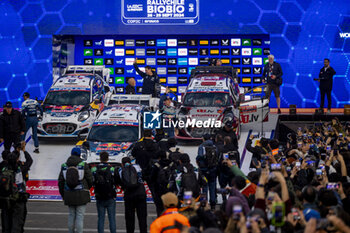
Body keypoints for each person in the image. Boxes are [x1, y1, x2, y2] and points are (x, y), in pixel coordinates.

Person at [58, 147, 93, 233]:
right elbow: (90, 179)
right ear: (79, 154)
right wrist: (87, 188)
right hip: (82, 194)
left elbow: (60, 182)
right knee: (80, 216)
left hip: (69, 193)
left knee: (71, 215)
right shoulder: (83, 164)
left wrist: (63, 195)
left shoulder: (64, 165)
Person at [0, 143, 32, 233]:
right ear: (17, 159)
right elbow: (30, 161)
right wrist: (24, 150)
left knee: (6, 223)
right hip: (18, 199)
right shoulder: (21, 167)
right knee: (17, 223)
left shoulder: (2, 168)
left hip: (5, 199)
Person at [117, 157, 147, 233]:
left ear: (122, 164)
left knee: (129, 218)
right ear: (131, 162)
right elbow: (143, 177)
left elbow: (120, 182)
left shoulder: (120, 170)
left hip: (129, 195)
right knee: (142, 217)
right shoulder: (138, 167)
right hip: (140, 194)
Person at [91, 152, 117, 233]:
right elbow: (116, 182)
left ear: (100, 158)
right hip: (110, 196)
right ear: (108, 158)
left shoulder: (94, 169)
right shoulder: (112, 169)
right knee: (112, 218)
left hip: (99, 196)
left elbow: (92, 182)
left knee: (101, 218)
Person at [196, 134, 218, 210]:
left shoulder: (201, 146)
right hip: (213, 169)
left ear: (203, 139)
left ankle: (204, 204)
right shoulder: (214, 146)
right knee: (212, 186)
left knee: (204, 187)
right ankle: (213, 204)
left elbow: (199, 156)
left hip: (204, 170)